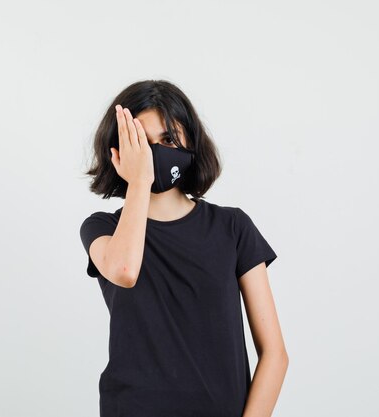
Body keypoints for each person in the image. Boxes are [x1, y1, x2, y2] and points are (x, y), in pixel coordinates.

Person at [79, 80, 289, 417]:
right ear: (119, 153)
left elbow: (275, 354)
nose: (156, 153)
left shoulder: (233, 228)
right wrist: (140, 182)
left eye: (168, 139)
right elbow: (124, 271)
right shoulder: (103, 228)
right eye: (142, 143)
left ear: (190, 142)